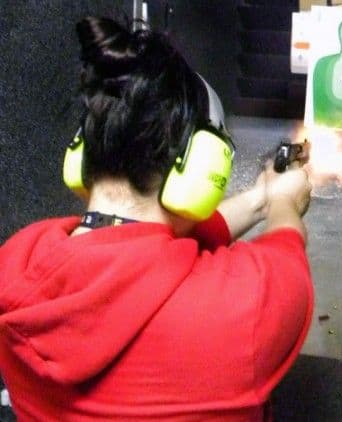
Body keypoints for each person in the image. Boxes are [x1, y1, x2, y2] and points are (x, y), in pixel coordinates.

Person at [0, 17, 313, 421]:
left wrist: (259, 198)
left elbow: (151, 249)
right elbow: (286, 254)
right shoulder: (243, 308)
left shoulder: (14, 267)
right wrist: (285, 203)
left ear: (81, 153)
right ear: (203, 165)